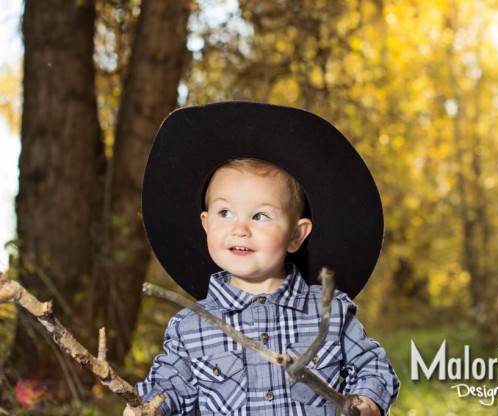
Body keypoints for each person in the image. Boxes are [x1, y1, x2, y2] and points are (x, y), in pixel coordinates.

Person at [126, 102, 399, 415]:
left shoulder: (330, 313)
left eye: (260, 216)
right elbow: (169, 384)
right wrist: (149, 408)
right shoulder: (190, 326)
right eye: (225, 212)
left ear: (296, 235)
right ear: (205, 224)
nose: (240, 229)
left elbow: (372, 365)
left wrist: (365, 402)